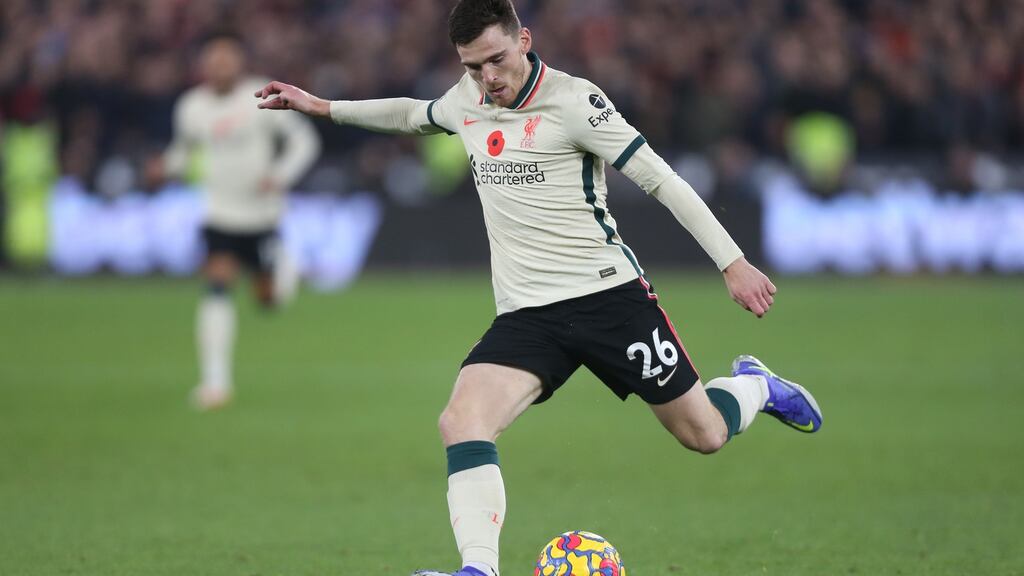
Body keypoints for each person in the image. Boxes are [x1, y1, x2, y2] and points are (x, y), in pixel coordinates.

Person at [256, 1, 822, 574]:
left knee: (703, 434)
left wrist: (732, 262)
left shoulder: (576, 102)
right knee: (461, 421)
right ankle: (479, 569)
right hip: (527, 314)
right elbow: (412, 114)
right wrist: (322, 106)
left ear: (524, 40)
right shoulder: (466, 100)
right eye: (473, 67)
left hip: (609, 299)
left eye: (497, 61)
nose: (488, 79)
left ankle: (755, 387)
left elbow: (662, 180)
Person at [148, 32, 321, 410]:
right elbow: (184, 151)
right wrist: (166, 167)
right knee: (216, 285)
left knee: (268, 301)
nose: (219, 66)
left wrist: (280, 175)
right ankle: (215, 383)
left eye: (226, 59)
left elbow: (304, 142)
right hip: (220, 214)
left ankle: (283, 266)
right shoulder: (191, 106)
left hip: (261, 216)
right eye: (213, 59)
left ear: (240, 62)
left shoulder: (260, 97)